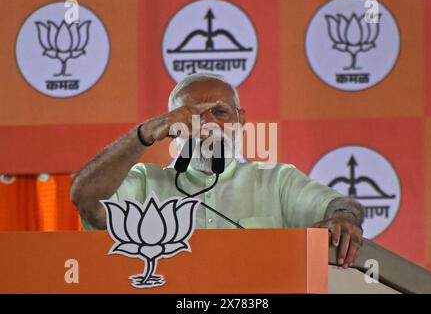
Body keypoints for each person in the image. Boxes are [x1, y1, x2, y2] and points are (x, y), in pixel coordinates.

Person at [71, 72, 364, 268]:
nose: (208, 123)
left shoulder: (277, 181)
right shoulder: (147, 182)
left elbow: (339, 206)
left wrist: (343, 218)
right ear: (171, 126)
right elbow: (86, 200)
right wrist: (144, 133)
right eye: (193, 115)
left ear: (241, 120)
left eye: (220, 112)